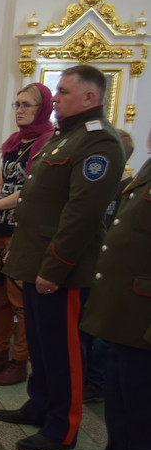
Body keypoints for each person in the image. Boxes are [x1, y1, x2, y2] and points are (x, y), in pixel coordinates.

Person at [0, 64, 125, 450]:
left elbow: (81, 214)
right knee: (41, 343)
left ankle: (62, 426)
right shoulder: (63, 138)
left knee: (64, 350)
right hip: (36, 260)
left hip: (61, 269)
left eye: (64, 92)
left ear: (90, 97)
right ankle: (39, 404)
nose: (56, 99)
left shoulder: (100, 143)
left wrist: (55, 268)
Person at [61, 127, 151, 450]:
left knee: (144, 424)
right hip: (123, 317)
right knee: (121, 415)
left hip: (144, 324)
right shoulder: (147, 170)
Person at [0, 83, 54, 386]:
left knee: (20, 301)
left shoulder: (47, 142)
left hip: (23, 232)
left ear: (42, 108)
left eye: (27, 105)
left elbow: (29, 190)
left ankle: (19, 361)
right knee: (0, 296)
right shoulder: (14, 142)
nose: (19, 110)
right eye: (17, 104)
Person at [81, 129, 135, 404]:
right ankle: (86, 376)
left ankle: (97, 380)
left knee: (102, 331)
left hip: (114, 271)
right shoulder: (101, 184)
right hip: (92, 264)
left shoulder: (129, 189)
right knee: (87, 324)